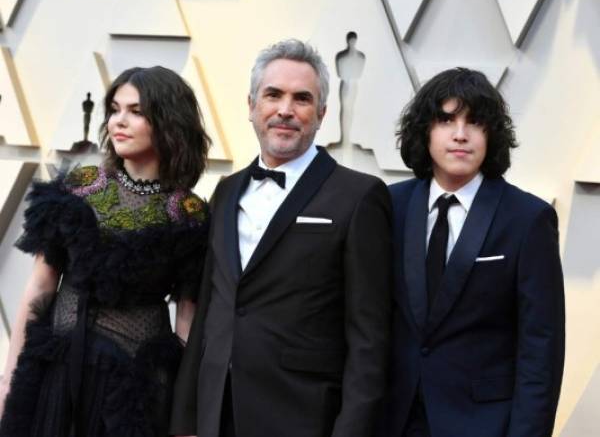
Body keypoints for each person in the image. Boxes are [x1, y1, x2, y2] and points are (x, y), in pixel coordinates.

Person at [170, 39, 392, 437]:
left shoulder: (359, 196)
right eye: (273, 95)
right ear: (252, 106)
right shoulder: (225, 191)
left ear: (322, 113)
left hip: (303, 416)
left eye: (302, 99)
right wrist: (186, 418)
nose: (285, 110)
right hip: (216, 412)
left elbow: (369, 338)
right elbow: (209, 311)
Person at [0, 66, 211, 436]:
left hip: (133, 390)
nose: (119, 122)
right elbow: (39, 288)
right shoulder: (79, 188)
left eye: (136, 111)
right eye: (114, 109)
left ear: (168, 122)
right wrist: (8, 379)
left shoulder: (188, 213)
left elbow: (187, 323)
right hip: (58, 377)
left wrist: (186, 416)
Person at [381, 68, 565, 437]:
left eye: (475, 122)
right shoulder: (389, 205)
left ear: (491, 134)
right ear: (425, 130)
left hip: (482, 424)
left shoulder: (528, 219)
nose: (461, 134)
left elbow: (540, 352)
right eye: (446, 119)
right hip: (392, 418)